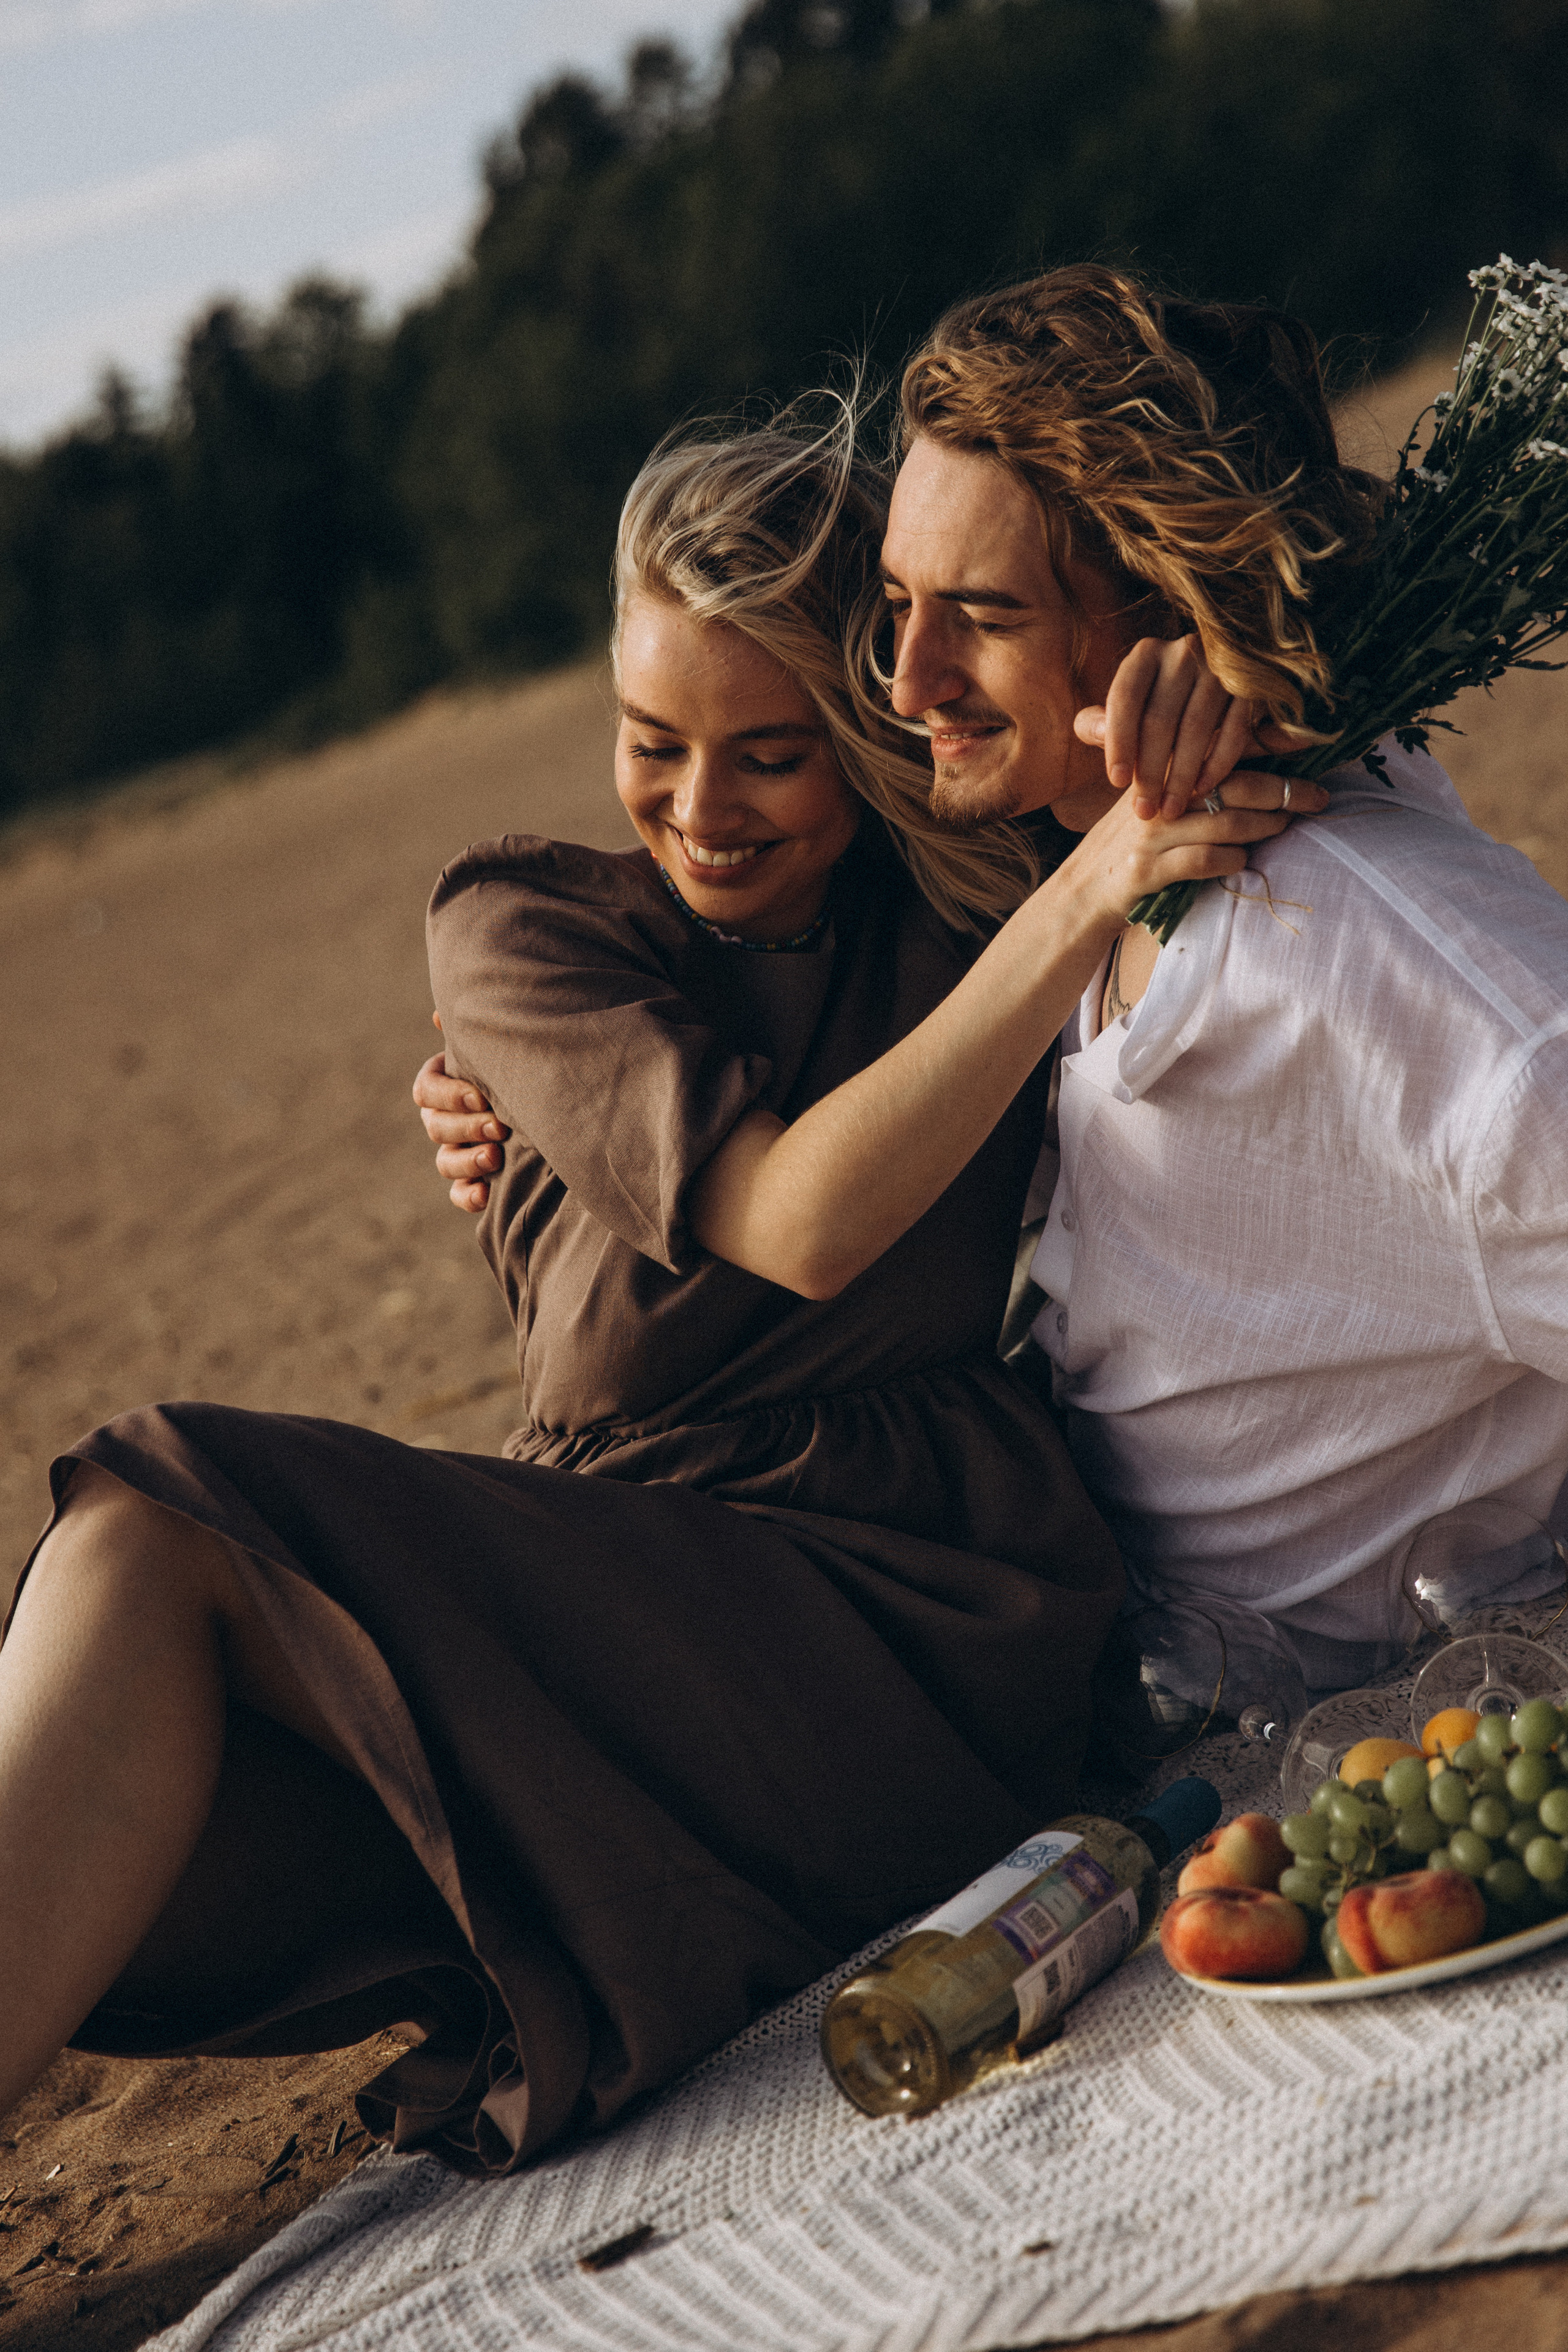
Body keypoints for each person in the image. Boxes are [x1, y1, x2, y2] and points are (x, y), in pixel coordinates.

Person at [0, 415, 1291, 2169]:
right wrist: (1089, 886)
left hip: (911, 1627)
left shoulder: (981, 894)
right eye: (650, 741)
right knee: (123, 1828)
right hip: (622, 1616)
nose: (701, 808)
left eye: (772, 752)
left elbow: (1181, 669)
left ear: (869, 723)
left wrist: (1116, 821)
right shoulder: (528, 939)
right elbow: (789, 1225)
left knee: (160, 1518)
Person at [424, 262, 1568, 1700]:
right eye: (896, 607)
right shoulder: (1035, 875)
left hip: (1293, 1729)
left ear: (1160, 612)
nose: (906, 686)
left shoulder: (1380, 965)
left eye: (981, 615)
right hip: (1069, 1667)